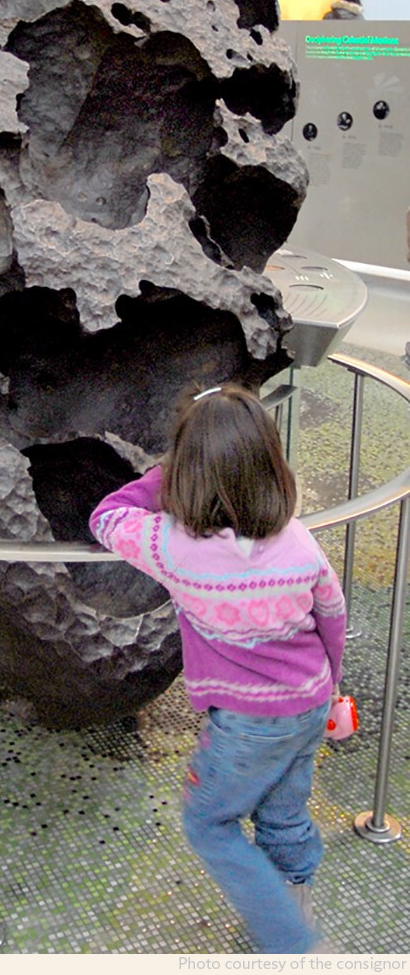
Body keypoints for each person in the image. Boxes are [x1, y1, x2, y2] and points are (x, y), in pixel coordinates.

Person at [89, 384, 346, 954]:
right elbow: (332, 615)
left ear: (188, 472)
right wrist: (332, 689)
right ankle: (295, 899)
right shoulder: (299, 543)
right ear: (272, 466)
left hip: (246, 722)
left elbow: (106, 516)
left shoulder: (173, 548)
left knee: (209, 824)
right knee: (284, 810)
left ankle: (292, 942)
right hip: (307, 701)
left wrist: (164, 476)